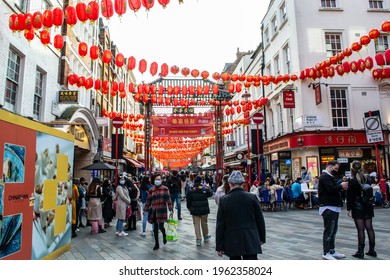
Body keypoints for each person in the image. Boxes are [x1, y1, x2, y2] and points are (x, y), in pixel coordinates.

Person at [216, 171, 266, 260]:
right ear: (243, 183)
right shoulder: (252, 197)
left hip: (232, 238)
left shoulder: (224, 200)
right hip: (250, 236)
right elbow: (260, 220)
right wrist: (262, 237)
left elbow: (220, 225)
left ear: (230, 184)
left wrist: (219, 245)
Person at [318, 160, 348, 260]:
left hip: (333, 206)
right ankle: (326, 252)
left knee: (333, 230)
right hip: (328, 206)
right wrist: (340, 186)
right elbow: (330, 189)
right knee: (329, 230)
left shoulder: (329, 176)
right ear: (330, 167)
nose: (336, 170)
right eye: (335, 168)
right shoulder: (325, 176)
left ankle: (331, 250)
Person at [347, 160, 377, 259]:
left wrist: (349, 209)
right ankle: (372, 250)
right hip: (368, 205)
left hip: (357, 206)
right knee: (370, 228)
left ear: (351, 170)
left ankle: (360, 251)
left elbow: (350, 196)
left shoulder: (352, 181)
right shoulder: (366, 178)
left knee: (360, 229)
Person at [144, 174, 174, 250]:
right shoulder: (151, 190)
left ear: (161, 180)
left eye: (159, 179)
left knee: (161, 226)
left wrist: (171, 210)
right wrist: (145, 209)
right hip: (154, 210)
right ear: (154, 180)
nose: (157, 181)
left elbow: (168, 200)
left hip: (162, 210)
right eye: (156, 179)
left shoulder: (165, 189)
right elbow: (148, 200)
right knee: (155, 228)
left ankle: (164, 234)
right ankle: (156, 243)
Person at [186, 175, 213, 246]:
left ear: (194, 181)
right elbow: (210, 194)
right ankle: (206, 236)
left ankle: (198, 240)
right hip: (204, 209)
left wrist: (189, 207)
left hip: (194, 210)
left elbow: (188, 200)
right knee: (204, 223)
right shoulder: (205, 188)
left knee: (196, 224)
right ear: (201, 181)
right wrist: (208, 187)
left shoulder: (190, 189)